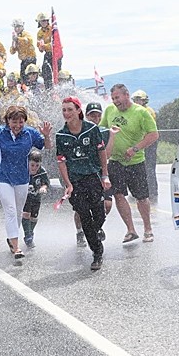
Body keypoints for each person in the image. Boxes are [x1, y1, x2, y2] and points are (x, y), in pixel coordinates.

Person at [0, 99, 52, 259]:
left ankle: (11, 238)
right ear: (7, 121)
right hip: (2, 177)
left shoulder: (30, 133)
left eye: (21, 122)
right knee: (10, 210)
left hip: (22, 178)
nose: (17, 125)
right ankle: (16, 247)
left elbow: (47, 146)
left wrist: (47, 136)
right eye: (14, 122)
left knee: (18, 212)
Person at [56, 97, 111, 270]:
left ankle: (94, 234)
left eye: (70, 109)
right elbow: (61, 161)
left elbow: (101, 152)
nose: (66, 113)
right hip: (75, 180)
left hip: (93, 176)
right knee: (84, 215)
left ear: (78, 111)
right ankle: (97, 252)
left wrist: (105, 175)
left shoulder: (92, 129)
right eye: (64, 110)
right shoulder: (61, 135)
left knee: (99, 214)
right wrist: (68, 184)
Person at [100, 84, 159, 244]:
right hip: (115, 161)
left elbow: (153, 135)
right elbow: (102, 130)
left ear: (126, 95)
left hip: (135, 162)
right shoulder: (110, 110)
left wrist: (135, 148)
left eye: (117, 98)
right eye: (113, 99)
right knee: (118, 195)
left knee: (141, 197)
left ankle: (148, 229)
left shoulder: (141, 112)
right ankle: (131, 229)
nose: (115, 101)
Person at [73, 102, 117, 247]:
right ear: (86, 116)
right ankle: (80, 231)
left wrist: (112, 136)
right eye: (92, 115)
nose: (95, 118)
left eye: (98, 115)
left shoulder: (104, 131)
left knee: (107, 204)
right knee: (82, 208)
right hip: (82, 174)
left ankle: (97, 227)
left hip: (100, 172)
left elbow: (108, 153)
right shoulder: (78, 131)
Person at [132, 90, 158, 202]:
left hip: (149, 142)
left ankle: (152, 191)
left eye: (139, 100)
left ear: (144, 101)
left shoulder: (147, 111)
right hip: (141, 142)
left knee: (149, 167)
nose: (137, 102)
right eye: (136, 100)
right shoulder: (137, 111)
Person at [21, 150, 49, 248]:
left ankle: (31, 232)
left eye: (37, 166)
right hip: (25, 197)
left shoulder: (42, 171)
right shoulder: (23, 170)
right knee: (26, 214)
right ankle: (27, 235)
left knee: (34, 217)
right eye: (32, 165)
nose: (34, 168)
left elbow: (45, 183)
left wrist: (43, 188)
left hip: (36, 197)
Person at [10, 18, 36, 85]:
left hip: (30, 60)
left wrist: (17, 39)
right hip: (23, 61)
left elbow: (28, 40)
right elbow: (12, 51)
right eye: (15, 27)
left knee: (30, 77)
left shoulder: (26, 34)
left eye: (18, 26)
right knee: (23, 78)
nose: (17, 29)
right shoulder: (16, 37)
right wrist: (14, 41)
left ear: (22, 27)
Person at [35, 12, 54, 88]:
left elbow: (54, 43)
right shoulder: (39, 33)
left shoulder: (52, 29)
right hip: (48, 53)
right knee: (45, 69)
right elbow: (40, 49)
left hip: (56, 53)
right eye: (42, 21)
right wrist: (41, 46)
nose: (44, 22)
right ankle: (48, 87)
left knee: (56, 69)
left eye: (45, 20)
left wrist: (44, 46)